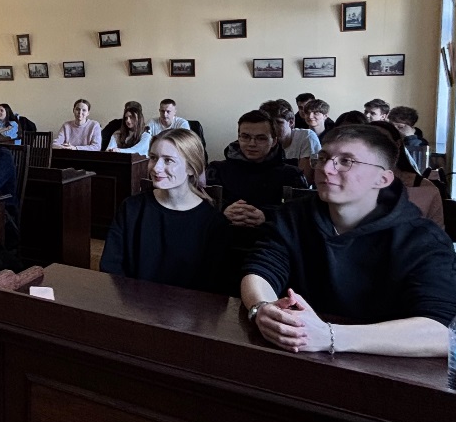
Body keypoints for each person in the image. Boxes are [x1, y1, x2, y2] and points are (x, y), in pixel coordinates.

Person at [241, 124, 456, 358]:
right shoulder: (294, 216)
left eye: (346, 161)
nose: (327, 169)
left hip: (383, 368)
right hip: (296, 354)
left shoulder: (421, 238)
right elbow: (261, 270)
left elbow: (446, 331)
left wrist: (330, 335)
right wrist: (262, 308)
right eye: (323, 157)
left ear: (382, 179)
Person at [100, 127, 230, 292]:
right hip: (132, 308)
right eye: (153, 158)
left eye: (168, 160)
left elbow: (215, 287)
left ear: (191, 168)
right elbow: (111, 267)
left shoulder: (214, 224)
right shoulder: (131, 208)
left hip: (187, 313)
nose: (156, 168)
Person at [204, 110, 307, 228]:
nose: (252, 144)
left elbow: (302, 213)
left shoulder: (292, 174)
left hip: (273, 239)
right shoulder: (216, 170)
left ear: (273, 141)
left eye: (261, 138)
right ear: (238, 137)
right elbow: (200, 205)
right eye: (245, 137)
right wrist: (223, 210)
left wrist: (267, 215)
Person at [259, 98, 320, 178]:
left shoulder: (306, 136)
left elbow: (304, 181)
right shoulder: (260, 140)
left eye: (278, 122)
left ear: (291, 122)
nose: (273, 128)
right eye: (268, 123)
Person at [389, 105, 430, 173]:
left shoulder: (420, 143)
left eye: (399, 126)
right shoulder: (390, 136)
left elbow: (415, 165)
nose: (393, 129)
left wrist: (409, 137)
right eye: (391, 125)